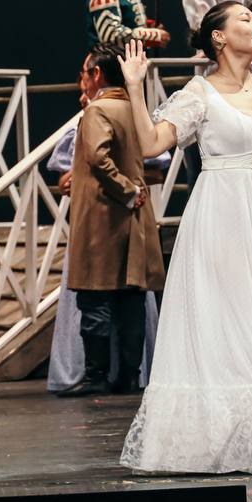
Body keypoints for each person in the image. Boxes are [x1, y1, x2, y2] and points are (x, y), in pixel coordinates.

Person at [117, 2, 252, 474]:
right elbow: (152, 144)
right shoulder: (200, 92)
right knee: (223, 326)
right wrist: (135, 87)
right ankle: (208, 440)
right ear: (218, 37)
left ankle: (249, 437)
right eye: (244, 20)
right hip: (216, 222)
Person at [57, 44, 165, 397]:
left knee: (95, 300)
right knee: (130, 299)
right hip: (134, 218)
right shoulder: (135, 109)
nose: (83, 80)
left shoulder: (98, 109)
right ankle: (129, 376)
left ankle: (97, 376)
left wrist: (126, 189)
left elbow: (98, 157)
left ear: (97, 74)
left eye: (85, 73)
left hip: (103, 217)